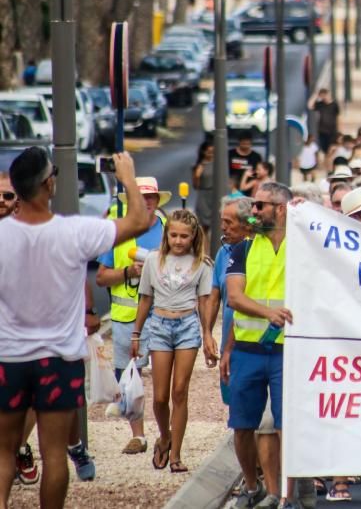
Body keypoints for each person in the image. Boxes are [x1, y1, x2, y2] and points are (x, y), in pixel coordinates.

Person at [0, 149, 147, 509]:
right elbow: (139, 221)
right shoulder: (75, 232)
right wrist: (126, 177)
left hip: (9, 357)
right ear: (48, 183)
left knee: (3, 452)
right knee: (54, 455)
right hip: (58, 360)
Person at [226, 182, 294, 509]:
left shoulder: (302, 248)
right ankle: (252, 486)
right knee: (242, 425)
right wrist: (270, 313)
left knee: (286, 426)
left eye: (260, 206)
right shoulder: (243, 249)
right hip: (248, 351)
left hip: (288, 352)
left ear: (280, 209)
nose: (253, 211)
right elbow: (235, 297)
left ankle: (286, 493)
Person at [132, 210, 216, 473]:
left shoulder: (202, 264)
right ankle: (164, 436)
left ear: (193, 237)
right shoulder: (153, 261)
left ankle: (176, 454)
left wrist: (207, 334)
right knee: (159, 397)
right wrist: (136, 333)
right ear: (166, 235)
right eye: (174, 234)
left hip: (187, 326)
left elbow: (204, 301)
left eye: (184, 236)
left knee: (180, 391)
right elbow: (145, 298)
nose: (179, 241)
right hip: (159, 325)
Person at [95, 177, 172, 455]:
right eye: (141, 198)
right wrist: (129, 272)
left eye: (150, 197)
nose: (147, 202)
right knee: (129, 377)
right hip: (127, 318)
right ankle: (138, 436)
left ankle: (166, 433)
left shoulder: (169, 230)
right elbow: (101, 278)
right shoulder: (117, 234)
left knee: (166, 377)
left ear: (157, 201)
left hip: (165, 315)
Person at [307, 88, 340, 155]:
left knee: (331, 149)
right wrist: (316, 95)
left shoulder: (334, 105)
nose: (324, 97)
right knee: (324, 149)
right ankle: (326, 163)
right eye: (322, 96)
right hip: (322, 131)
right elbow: (309, 106)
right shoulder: (320, 104)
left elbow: (338, 118)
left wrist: (339, 131)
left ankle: (329, 162)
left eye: (325, 95)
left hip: (332, 131)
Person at [192, 140, 214, 232]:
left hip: (215, 195)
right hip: (203, 197)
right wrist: (197, 176)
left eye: (213, 152)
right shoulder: (199, 165)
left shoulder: (219, 164)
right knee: (203, 227)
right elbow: (196, 186)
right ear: (204, 152)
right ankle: (204, 246)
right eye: (209, 152)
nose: (211, 154)